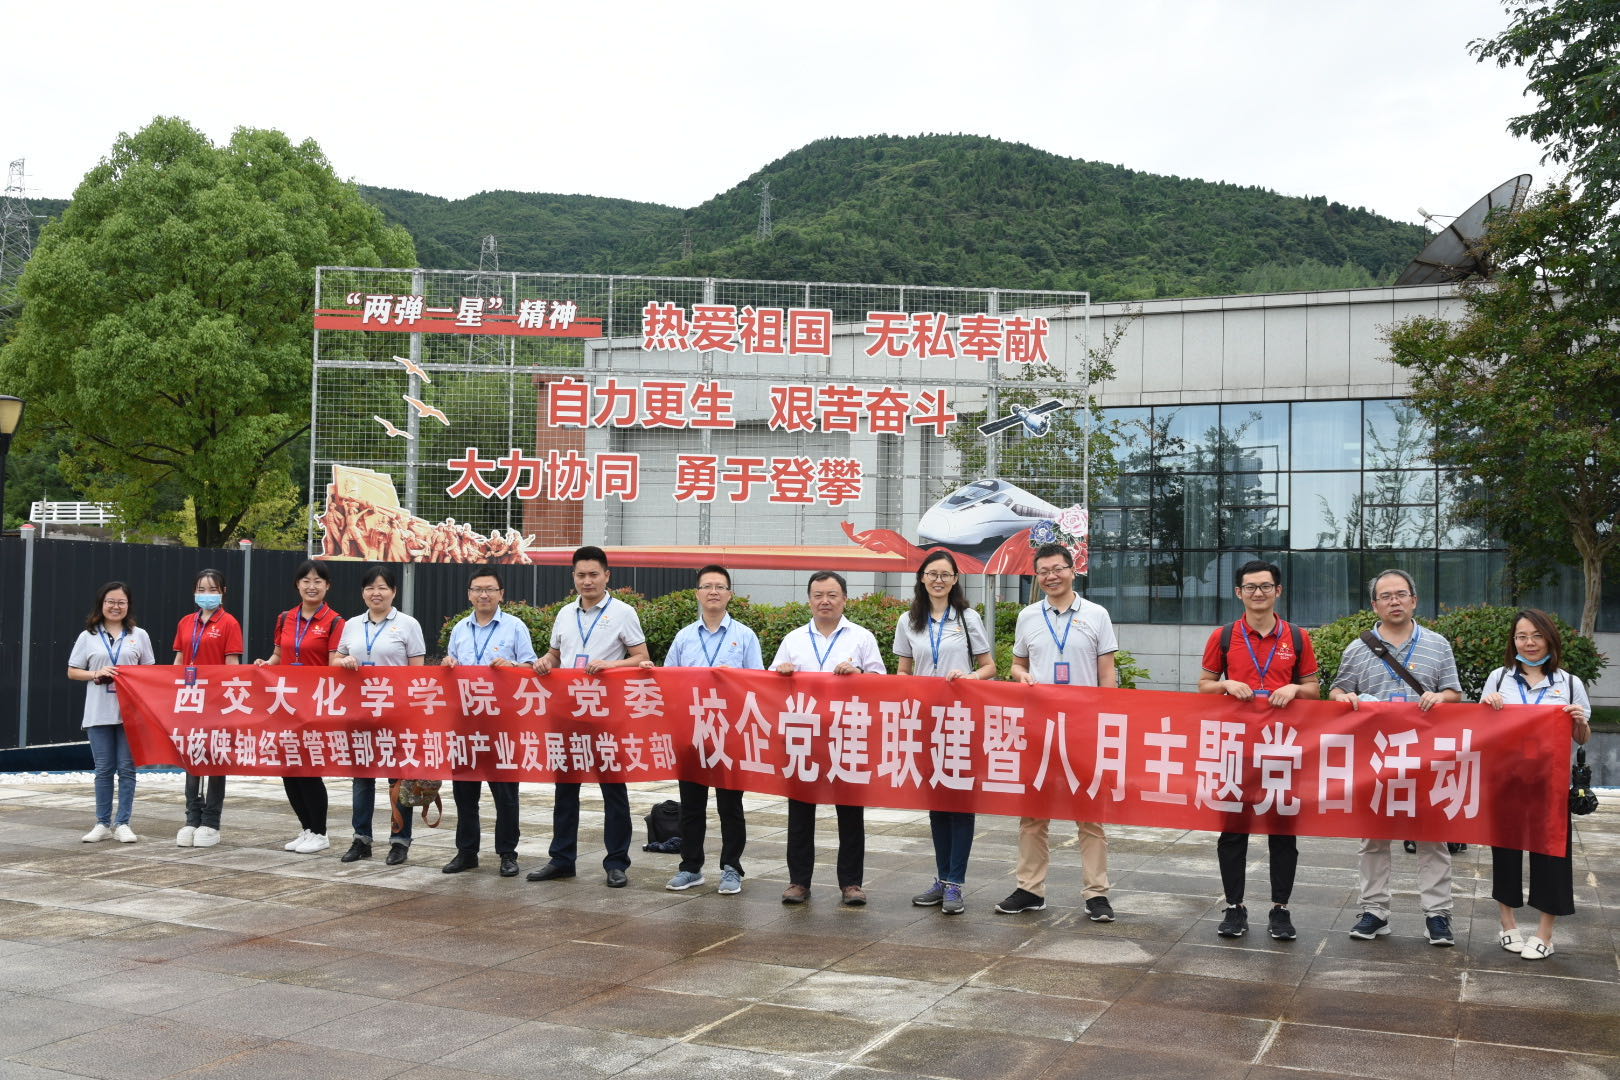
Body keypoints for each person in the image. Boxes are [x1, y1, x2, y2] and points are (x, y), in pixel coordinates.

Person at [1328, 568, 1462, 946]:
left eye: (1401, 594)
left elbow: (1454, 693)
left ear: (1413, 600)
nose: (1394, 601)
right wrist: (1345, 698)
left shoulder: (1437, 644)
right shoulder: (1357, 648)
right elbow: (1337, 691)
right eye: (1385, 596)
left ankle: (1437, 914)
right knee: (1373, 837)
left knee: (1432, 837)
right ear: (1375, 605)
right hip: (1375, 756)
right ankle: (1374, 911)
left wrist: (1440, 697)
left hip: (1426, 755)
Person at [1196, 559, 1320, 941]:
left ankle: (1280, 909)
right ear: (1239, 593)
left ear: (1278, 591)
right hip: (1236, 748)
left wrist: (1294, 688)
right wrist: (1226, 685)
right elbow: (1204, 685)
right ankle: (1234, 906)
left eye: (1265, 586)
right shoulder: (1223, 636)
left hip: (1282, 747)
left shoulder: (1297, 637)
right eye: (1250, 587)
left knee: (1283, 832)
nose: (1258, 593)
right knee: (1233, 831)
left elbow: (1314, 690)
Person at [997, 543, 1119, 922]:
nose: (1051, 576)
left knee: (1090, 814)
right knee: (1033, 814)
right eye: (1044, 571)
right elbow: (1017, 665)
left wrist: (1107, 722)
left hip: (1084, 728)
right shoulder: (1028, 616)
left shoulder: (1097, 615)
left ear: (1072, 570)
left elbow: (1107, 675)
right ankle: (1030, 889)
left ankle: (1096, 894)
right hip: (1039, 729)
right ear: (1037, 577)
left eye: (1058, 569)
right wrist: (1022, 676)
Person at [529, 546, 650, 888]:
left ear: (607, 576)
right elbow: (556, 654)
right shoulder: (565, 613)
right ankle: (562, 859)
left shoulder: (623, 613)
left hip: (606, 715)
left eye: (594, 574)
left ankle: (616, 863)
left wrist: (611, 664)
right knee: (565, 789)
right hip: (567, 712)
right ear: (573, 577)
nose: (587, 581)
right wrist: (545, 662)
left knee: (613, 789)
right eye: (581, 575)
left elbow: (641, 657)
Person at [1480, 608, 1591, 961]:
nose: (1529, 643)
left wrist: (1579, 721)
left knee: (1551, 854)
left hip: (1549, 783)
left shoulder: (1569, 683)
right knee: (1505, 853)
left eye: (1536, 636)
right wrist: (1488, 707)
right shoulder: (1499, 678)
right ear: (1513, 641)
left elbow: (1582, 739)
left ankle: (1545, 933)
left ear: (1549, 638)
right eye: (1521, 636)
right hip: (1507, 780)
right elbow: (1482, 732)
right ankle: (1508, 925)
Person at [771, 570, 887, 906]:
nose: (825, 601)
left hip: (846, 735)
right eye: (818, 595)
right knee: (800, 811)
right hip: (803, 736)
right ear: (809, 600)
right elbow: (770, 683)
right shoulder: (793, 639)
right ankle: (798, 881)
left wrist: (859, 674)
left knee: (850, 811)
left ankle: (851, 883)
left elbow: (881, 682)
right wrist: (781, 674)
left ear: (845, 599)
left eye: (832, 595)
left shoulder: (861, 637)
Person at [654, 564, 764, 894]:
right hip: (692, 731)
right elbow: (668, 681)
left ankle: (732, 868)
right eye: (707, 586)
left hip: (730, 732)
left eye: (720, 586)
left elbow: (758, 683)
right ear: (698, 593)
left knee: (730, 806)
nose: (713, 592)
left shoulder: (744, 636)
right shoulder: (685, 637)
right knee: (692, 805)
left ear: (730, 594)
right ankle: (690, 867)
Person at [898, 551, 995, 915]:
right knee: (937, 802)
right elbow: (903, 670)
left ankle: (955, 882)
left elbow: (989, 666)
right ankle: (941, 878)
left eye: (945, 574)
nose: (938, 580)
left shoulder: (968, 618)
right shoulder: (909, 620)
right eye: (932, 573)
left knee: (961, 803)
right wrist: (909, 686)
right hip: (925, 721)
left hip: (961, 720)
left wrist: (969, 677)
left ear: (955, 579)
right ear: (922, 578)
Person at [442, 566, 536, 877]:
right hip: (465, 721)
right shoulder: (459, 629)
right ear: (469, 594)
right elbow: (450, 667)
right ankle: (466, 852)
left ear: (501, 594)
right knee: (464, 792)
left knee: (505, 794)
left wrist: (512, 666)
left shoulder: (515, 627)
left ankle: (507, 854)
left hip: (502, 723)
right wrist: (448, 663)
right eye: (478, 589)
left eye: (490, 589)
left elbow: (531, 668)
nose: (484, 595)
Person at [332, 565, 426, 865]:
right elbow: (335, 660)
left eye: (383, 587)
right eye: (370, 587)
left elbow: (417, 672)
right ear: (363, 592)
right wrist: (344, 661)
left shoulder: (408, 624)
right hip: (359, 712)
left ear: (394, 592)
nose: (376, 593)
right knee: (362, 778)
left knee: (398, 779)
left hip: (396, 714)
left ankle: (399, 841)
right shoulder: (352, 625)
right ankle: (361, 839)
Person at [257, 560, 345, 854]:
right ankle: (306, 828)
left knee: (308, 768)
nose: (312, 586)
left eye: (318, 581)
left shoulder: (334, 621)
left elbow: (333, 664)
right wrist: (265, 664)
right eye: (306, 580)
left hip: (313, 705)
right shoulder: (285, 618)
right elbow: (277, 655)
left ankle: (320, 832)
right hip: (285, 704)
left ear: (327, 586)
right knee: (288, 767)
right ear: (297, 585)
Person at [69, 582, 156, 844]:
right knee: (103, 769)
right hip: (98, 712)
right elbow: (72, 671)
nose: (115, 607)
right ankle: (102, 823)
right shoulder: (88, 636)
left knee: (127, 769)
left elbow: (151, 672)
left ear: (128, 605)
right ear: (101, 604)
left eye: (121, 602)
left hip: (130, 713)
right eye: (111, 601)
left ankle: (123, 823)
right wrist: (96, 673)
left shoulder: (139, 635)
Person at [172, 569, 242, 847]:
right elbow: (179, 661)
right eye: (201, 589)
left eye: (212, 589)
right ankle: (192, 817)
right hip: (190, 701)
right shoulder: (185, 622)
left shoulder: (229, 623)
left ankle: (211, 821)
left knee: (214, 759)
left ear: (223, 592)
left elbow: (232, 665)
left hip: (216, 702)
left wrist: (225, 701)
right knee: (192, 759)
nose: (206, 594)